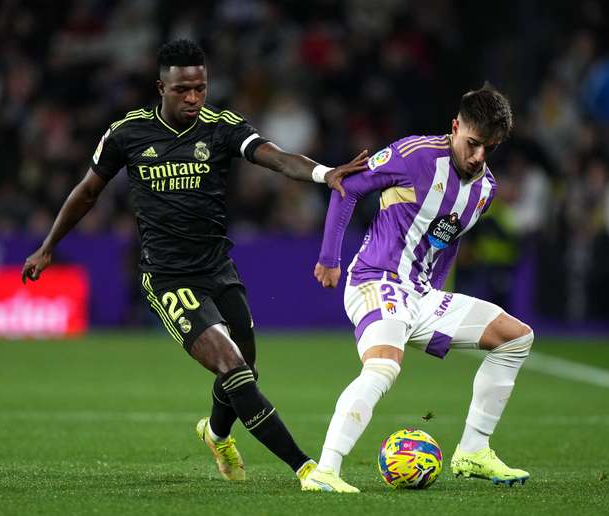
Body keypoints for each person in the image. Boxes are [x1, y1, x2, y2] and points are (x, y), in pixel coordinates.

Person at [21, 39, 367, 486]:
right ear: (160, 86)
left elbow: (275, 157)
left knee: (245, 371)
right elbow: (88, 191)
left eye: (200, 88)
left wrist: (323, 173)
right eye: (183, 89)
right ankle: (307, 469)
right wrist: (48, 246)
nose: (193, 98)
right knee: (233, 368)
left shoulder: (221, 127)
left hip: (218, 268)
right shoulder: (127, 133)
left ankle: (217, 434)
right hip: (167, 277)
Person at [302, 86, 533, 493]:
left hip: (421, 294)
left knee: (516, 338)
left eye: (489, 148)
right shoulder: (414, 154)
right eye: (473, 144)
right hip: (376, 278)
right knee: (384, 367)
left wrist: (435, 301)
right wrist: (329, 257)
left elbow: (446, 239)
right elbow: (349, 186)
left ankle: (473, 451)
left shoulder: (485, 190)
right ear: (456, 126)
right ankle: (325, 469)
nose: (478, 156)